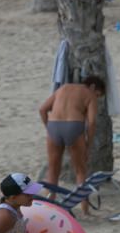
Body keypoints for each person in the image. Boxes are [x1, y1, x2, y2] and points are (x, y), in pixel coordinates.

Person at [38, 75, 106, 215]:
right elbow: (92, 122)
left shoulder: (63, 88)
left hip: (54, 126)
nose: (97, 98)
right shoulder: (89, 94)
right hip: (74, 126)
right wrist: (88, 143)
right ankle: (85, 209)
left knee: (53, 171)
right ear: (93, 87)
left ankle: (50, 208)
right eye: (98, 95)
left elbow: (42, 109)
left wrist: (48, 128)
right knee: (80, 170)